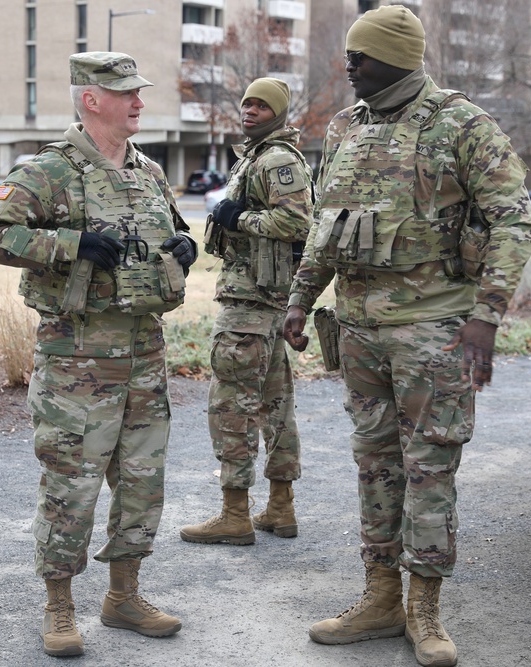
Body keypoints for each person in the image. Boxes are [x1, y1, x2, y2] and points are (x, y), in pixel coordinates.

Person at [281, 7, 531, 667]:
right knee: (376, 465)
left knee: (431, 469)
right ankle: (378, 598)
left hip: (437, 331)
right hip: (361, 331)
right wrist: (299, 301)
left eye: (359, 56)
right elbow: (325, 225)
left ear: (396, 57)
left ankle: (425, 611)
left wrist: (486, 315)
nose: (348, 65)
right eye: (348, 54)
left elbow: (515, 220)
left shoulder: (462, 124)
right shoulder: (344, 127)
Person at [0, 51, 197, 657]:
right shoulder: (47, 171)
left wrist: (182, 248)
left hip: (145, 350)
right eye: (126, 94)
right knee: (71, 484)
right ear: (91, 99)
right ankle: (59, 606)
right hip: (78, 358)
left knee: (143, 481)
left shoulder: (147, 170)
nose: (139, 103)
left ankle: (124, 597)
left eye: (139, 93)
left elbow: (167, 232)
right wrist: (70, 244)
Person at [179, 78, 313, 546]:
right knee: (276, 403)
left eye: (261, 105)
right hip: (264, 300)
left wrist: (240, 219)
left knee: (231, 405)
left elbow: (298, 222)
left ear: (277, 112)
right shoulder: (258, 155)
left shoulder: (275, 159)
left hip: (252, 303)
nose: (250, 111)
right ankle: (280, 507)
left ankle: (235, 513)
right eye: (247, 104)